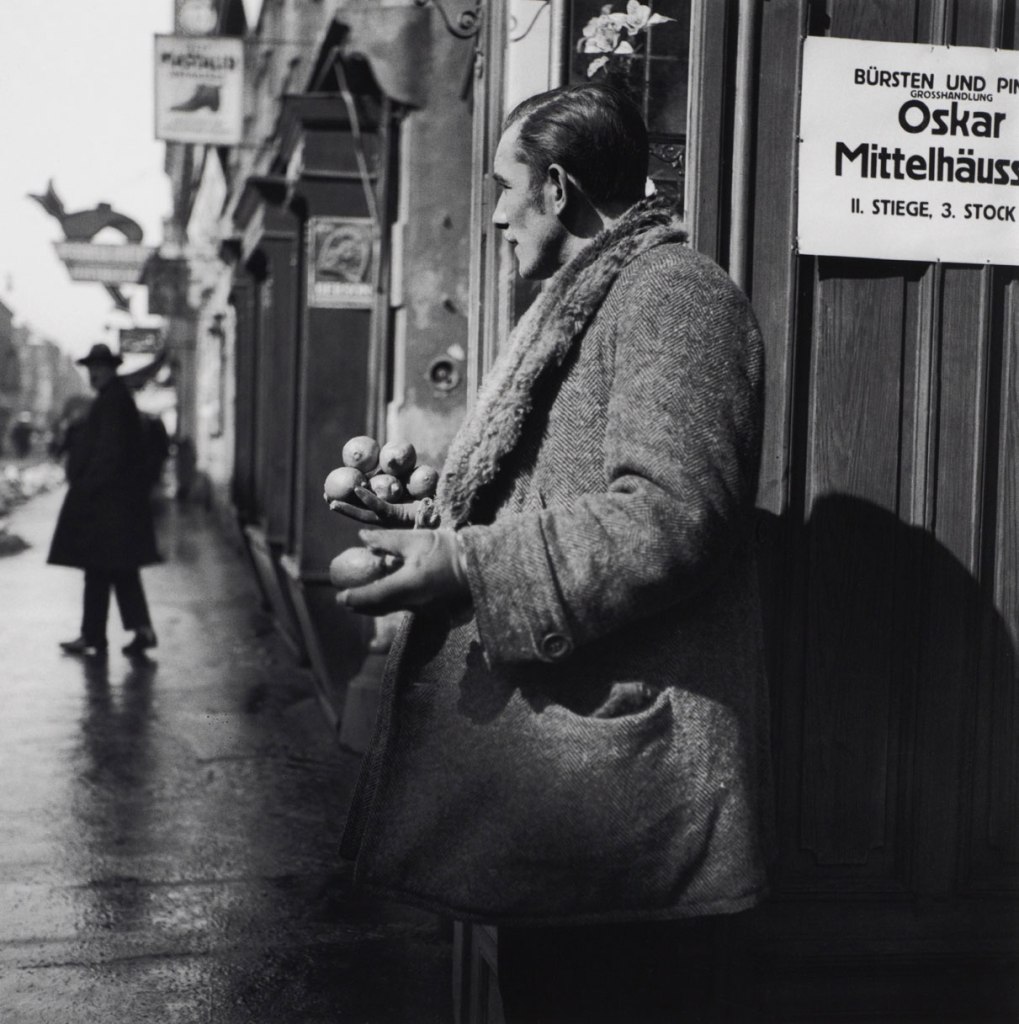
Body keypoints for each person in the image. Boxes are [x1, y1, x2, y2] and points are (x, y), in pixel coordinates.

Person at [330, 84, 771, 1023]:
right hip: (570, 790)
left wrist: (465, 565)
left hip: (617, 806)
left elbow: (671, 515)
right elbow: (549, 497)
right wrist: (421, 516)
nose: (491, 212)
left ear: (559, 186)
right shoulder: (592, 294)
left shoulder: (675, 295)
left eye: (503, 185)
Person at [49, 343, 160, 659]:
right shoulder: (114, 398)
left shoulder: (113, 401)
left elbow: (109, 452)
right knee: (115, 569)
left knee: (102, 569)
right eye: (90, 367)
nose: (93, 373)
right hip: (116, 502)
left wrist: (87, 486)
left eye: (99, 367)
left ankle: (96, 635)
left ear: (112, 369)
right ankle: (132, 631)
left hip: (108, 502)